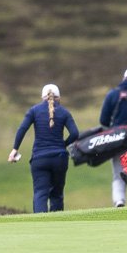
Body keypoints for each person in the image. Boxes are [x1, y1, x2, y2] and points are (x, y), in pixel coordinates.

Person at [9, 83, 80, 213]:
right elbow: (75, 133)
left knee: (40, 193)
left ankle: (40, 226)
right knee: (57, 194)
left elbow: (22, 128)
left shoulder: (34, 111)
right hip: (59, 158)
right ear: (59, 97)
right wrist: (63, 145)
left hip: (39, 159)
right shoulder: (64, 112)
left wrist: (15, 149)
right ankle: (56, 227)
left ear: (43, 97)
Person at [99, 66, 127, 208]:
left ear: (124, 78)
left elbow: (103, 120)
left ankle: (119, 201)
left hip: (117, 141)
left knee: (118, 175)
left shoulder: (112, 94)